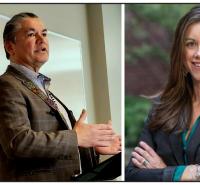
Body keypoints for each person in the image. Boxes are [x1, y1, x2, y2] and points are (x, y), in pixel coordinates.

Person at [125, 6, 200, 181]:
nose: (199, 53)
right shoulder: (161, 108)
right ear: (181, 53)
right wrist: (188, 173)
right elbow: (131, 175)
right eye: (190, 44)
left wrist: (163, 171)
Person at [0, 12, 121, 181]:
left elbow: (62, 147)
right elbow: (18, 142)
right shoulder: (7, 84)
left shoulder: (44, 90)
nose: (41, 40)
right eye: (31, 34)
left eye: (44, 33)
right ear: (10, 47)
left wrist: (92, 145)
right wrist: (77, 137)